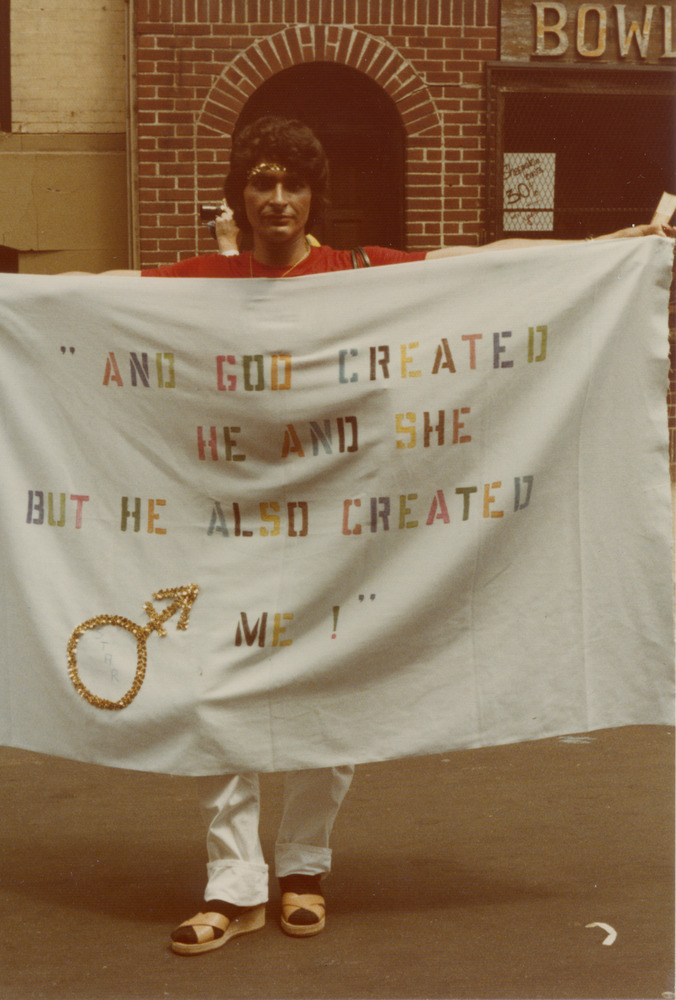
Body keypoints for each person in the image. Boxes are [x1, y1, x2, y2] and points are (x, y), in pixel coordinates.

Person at [71, 115, 675, 954]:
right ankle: (233, 883)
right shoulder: (201, 283)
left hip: (342, 535)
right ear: (240, 194)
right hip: (228, 534)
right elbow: (97, 296)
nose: (276, 198)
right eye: (262, 182)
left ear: (314, 194)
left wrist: (608, 245)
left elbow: (478, 268)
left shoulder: (359, 275)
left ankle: (304, 868)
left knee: (333, 695)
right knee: (212, 697)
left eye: (293, 183)